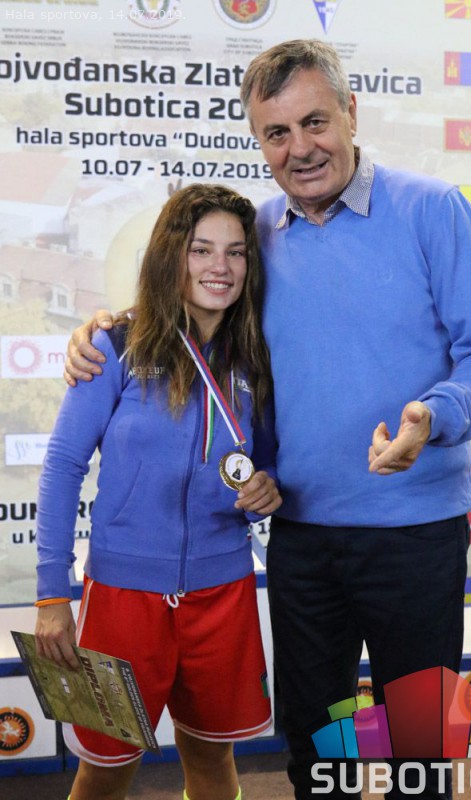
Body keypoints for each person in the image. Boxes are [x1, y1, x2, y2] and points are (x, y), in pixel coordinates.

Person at [63, 40, 471, 800]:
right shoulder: (257, 236)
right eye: (276, 133)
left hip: (413, 534)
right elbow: (196, 312)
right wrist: (109, 329)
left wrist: (435, 414)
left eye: (314, 122)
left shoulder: (431, 209)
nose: (300, 148)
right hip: (302, 540)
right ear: (258, 140)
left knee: (421, 747)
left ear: (351, 112)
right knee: (318, 748)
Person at [35, 183, 282, 800]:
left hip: (222, 592)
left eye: (235, 252)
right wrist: (51, 595)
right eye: (201, 249)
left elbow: (270, 460)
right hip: (122, 599)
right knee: (102, 773)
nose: (220, 266)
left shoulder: (254, 357)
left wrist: (268, 484)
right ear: (172, 255)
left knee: (212, 762)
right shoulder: (114, 345)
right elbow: (63, 466)